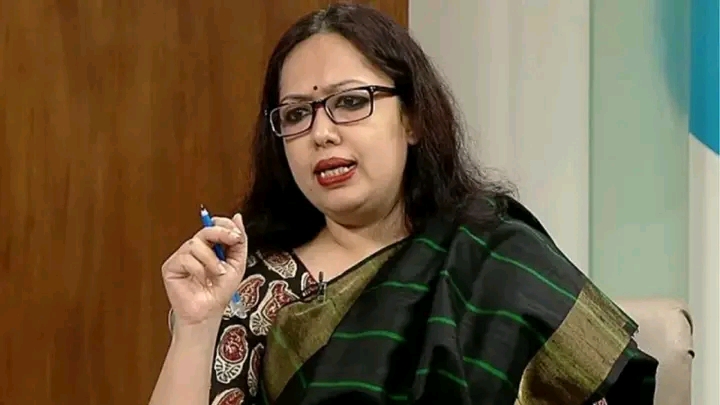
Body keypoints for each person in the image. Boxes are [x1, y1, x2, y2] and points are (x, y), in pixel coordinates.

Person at [149, 4, 658, 405]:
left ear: (411, 119)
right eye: (297, 114)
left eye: (351, 102)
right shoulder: (251, 289)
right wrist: (194, 329)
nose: (321, 133)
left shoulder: (495, 255)